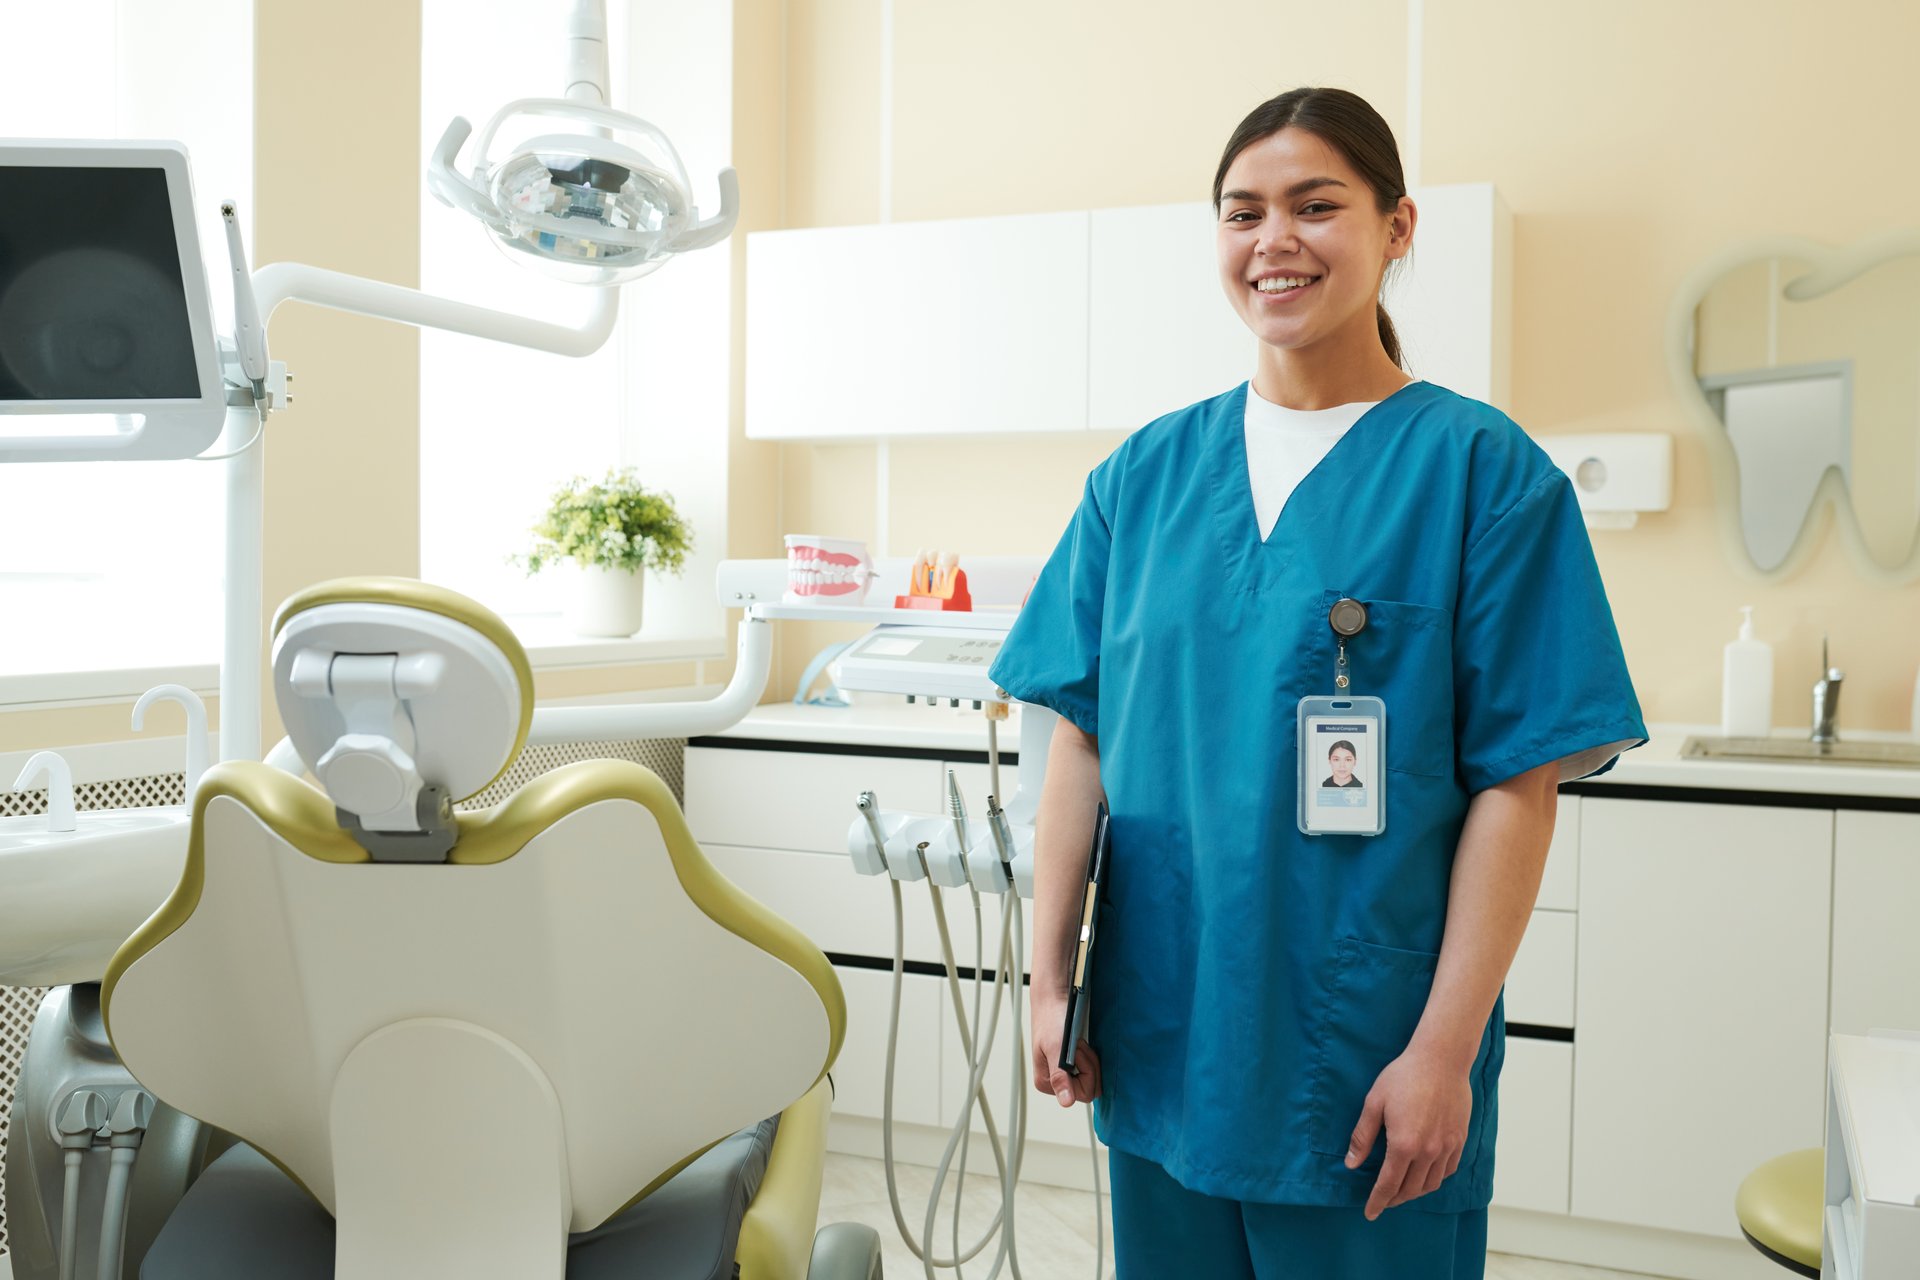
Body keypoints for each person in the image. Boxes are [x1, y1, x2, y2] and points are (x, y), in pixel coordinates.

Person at [987, 86, 1645, 1280]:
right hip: (1165, 1031)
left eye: (1315, 205)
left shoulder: (1485, 473)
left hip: (1365, 1058)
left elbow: (1518, 784)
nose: (1273, 241)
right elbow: (1079, 739)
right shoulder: (1142, 477)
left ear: (1397, 228)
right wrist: (1050, 981)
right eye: (1242, 213)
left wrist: (1442, 1051)